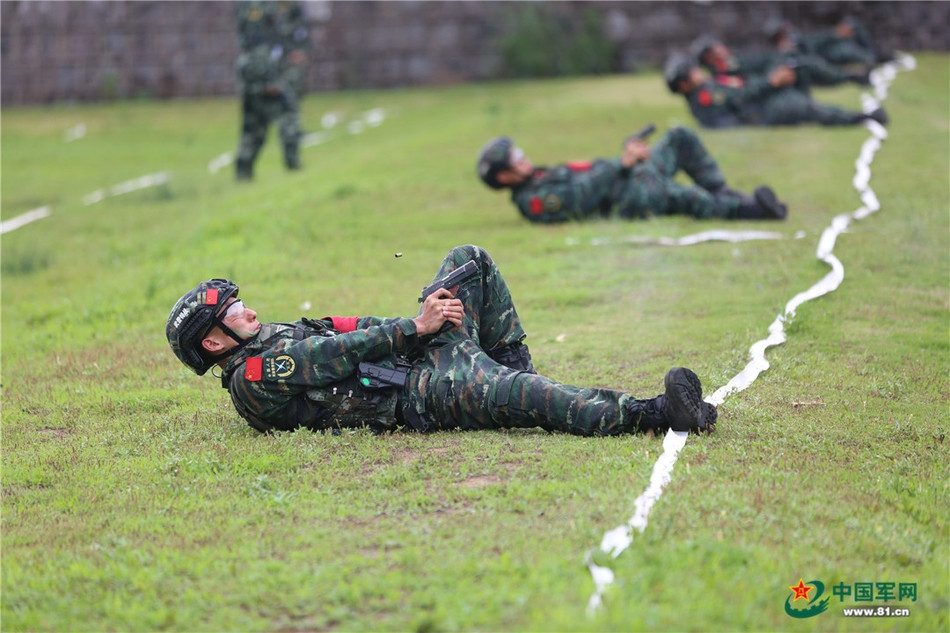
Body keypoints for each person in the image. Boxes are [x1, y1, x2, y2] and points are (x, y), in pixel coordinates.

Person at [166, 245, 717, 437]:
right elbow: (330, 355)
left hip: (419, 356)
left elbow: (349, 329)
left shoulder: (272, 334)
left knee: (468, 261)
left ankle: (507, 369)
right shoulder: (254, 377)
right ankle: (655, 413)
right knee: (527, 397)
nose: (251, 311)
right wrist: (418, 328)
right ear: (213, 344)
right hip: (419, 395)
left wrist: (425, 318)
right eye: (236, 314)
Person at [476, 127, 788, 223]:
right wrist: (622, 165)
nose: (523, 158)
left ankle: (723, 192)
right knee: (683, 196)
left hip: (629, 177)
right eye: (515, 159)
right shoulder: (532, 202)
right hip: (627, 198)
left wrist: (627, 156)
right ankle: (753, 210)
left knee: (678, 137)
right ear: (503, 177)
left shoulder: (542, 174)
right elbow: (581, 197)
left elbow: (594, 169)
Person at [664, 52, 888, 130]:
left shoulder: (708, 86)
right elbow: (741, 96)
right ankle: (863, 118)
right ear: (684, 85)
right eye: (691, 72)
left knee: (797, 65)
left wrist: (771, 79)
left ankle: (852, 77)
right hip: (758, 112)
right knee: (806, 108)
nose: (697, 72)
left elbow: (744, 83)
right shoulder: (704, 98)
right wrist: (771, 83)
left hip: (761, 98)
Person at [234, 1, 308, 180]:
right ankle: (293, 163)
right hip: (263, 68)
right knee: (287, 114)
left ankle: (243, 173)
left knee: (253, 125)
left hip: (255, 67)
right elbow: (262, 35)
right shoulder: (259, 5)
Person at [690, 34, 868, 90]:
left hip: (772, 70)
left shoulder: (731, 59)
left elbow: (760, 59)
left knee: (804, 63)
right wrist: (772, 78)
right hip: (768, 81)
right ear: (709, 57)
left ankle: (850, 77)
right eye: (715, 49)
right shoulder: (723, 71)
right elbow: (746, 84)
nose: (721, 48)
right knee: (805, 65)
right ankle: (850, 77)